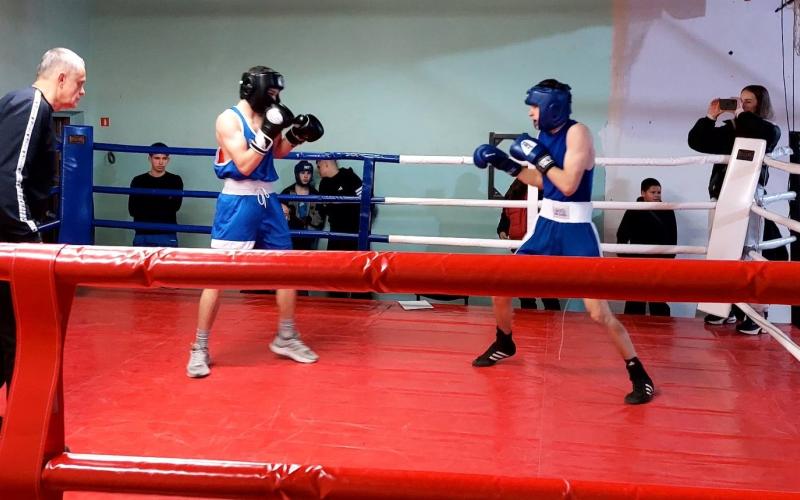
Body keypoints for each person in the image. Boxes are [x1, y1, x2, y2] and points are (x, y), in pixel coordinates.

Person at [472, 79, 654, 405]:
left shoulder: (578, 133)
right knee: (500, 286)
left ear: (551, 106)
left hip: (575, 231)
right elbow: (546, 182)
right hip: (546, 226)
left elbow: (569, 184)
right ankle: (504, 341)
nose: (530, 113)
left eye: (534, 106)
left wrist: (540, 158)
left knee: (597, 312)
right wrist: (507, 165)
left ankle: (638, 372)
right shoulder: (545, 136)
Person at [186, 66, 324, 378]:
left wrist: (296, 136)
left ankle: (285, 336)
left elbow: (276, 153)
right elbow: (246, 165)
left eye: (278, 94)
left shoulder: (266, 117)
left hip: (268, 200)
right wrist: (267, 132)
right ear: (254, 90)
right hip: (238, 202)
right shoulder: (228, 120)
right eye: (272, 92)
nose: (276, 99)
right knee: (217, 277)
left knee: (286, 269)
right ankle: (200, 347)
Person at [0, 48, 86, 400]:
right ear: (61, 77)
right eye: (79, 83)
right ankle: (24, 420)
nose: (82, 92)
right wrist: (30, 239)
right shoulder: (31, 105)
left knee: (8, 333)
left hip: (8, 239)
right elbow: (9, 178)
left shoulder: (22, 104)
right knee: (21, 334)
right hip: (11, 242)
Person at [688, 85, 782, 334]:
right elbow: (696, 141)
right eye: (740, 101)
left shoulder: (768, 128)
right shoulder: (731, 129)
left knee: (749, 253)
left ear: (760, 104)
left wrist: (741, 114)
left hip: (748, 198)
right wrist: (710, 117)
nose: (742, 104)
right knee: (719, 252)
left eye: (748, 101)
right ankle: (723, 307)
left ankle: (756, 314)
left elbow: (764, 135)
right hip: (721, 196)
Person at [616, 178, 677, 316]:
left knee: (658, 299)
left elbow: (673, 237)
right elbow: (622, 235)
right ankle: (633, 325)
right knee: (635, 299)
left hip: (660, 262)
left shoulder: (667, 210)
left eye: (659, 192)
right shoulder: (633, 210)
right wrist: (626, 259)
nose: (657, 195)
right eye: (653, 192)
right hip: (637, 261)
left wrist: (669, 259)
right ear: (643, 193)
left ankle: (661, 325)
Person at [497, 178, 560, 311]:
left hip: (540, 245)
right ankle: (527, 320)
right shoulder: (515, 187)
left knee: (546, 288)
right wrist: (502, 229)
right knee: (524, 289)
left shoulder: (546, 187)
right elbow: (506, 211)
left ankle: (554, 320)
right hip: (519, 245)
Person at [316, 159, 373, 299]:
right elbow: (322, 209)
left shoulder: (349, 177)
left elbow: (368, 202)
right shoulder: (324, 184)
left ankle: (361, 306)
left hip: (355, 232)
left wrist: (364, 228)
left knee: (359, 272)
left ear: (326, 164)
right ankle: (336, 306)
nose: (318, 170)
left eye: (319, 166)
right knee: (335, 273)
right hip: (335, 233)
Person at [128, 142, 183, 247]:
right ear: (150, 158)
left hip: (166, 233)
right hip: (143, 233)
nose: (161, 162)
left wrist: (146, 205)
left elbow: (175, 206)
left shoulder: (175, 180)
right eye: (157, 158)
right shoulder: (138, 180)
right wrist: (163, 203)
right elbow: (132, 210)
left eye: (164, 158)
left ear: (168, 160)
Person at [280, 160, 324, 250]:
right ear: (297, 174)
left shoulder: (315, 195)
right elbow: (279, 220)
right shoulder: (286, 193)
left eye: (308, 173)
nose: (306, 176)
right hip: (289, 239)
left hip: (309, 241)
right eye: (302, 173)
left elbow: (319, 221)